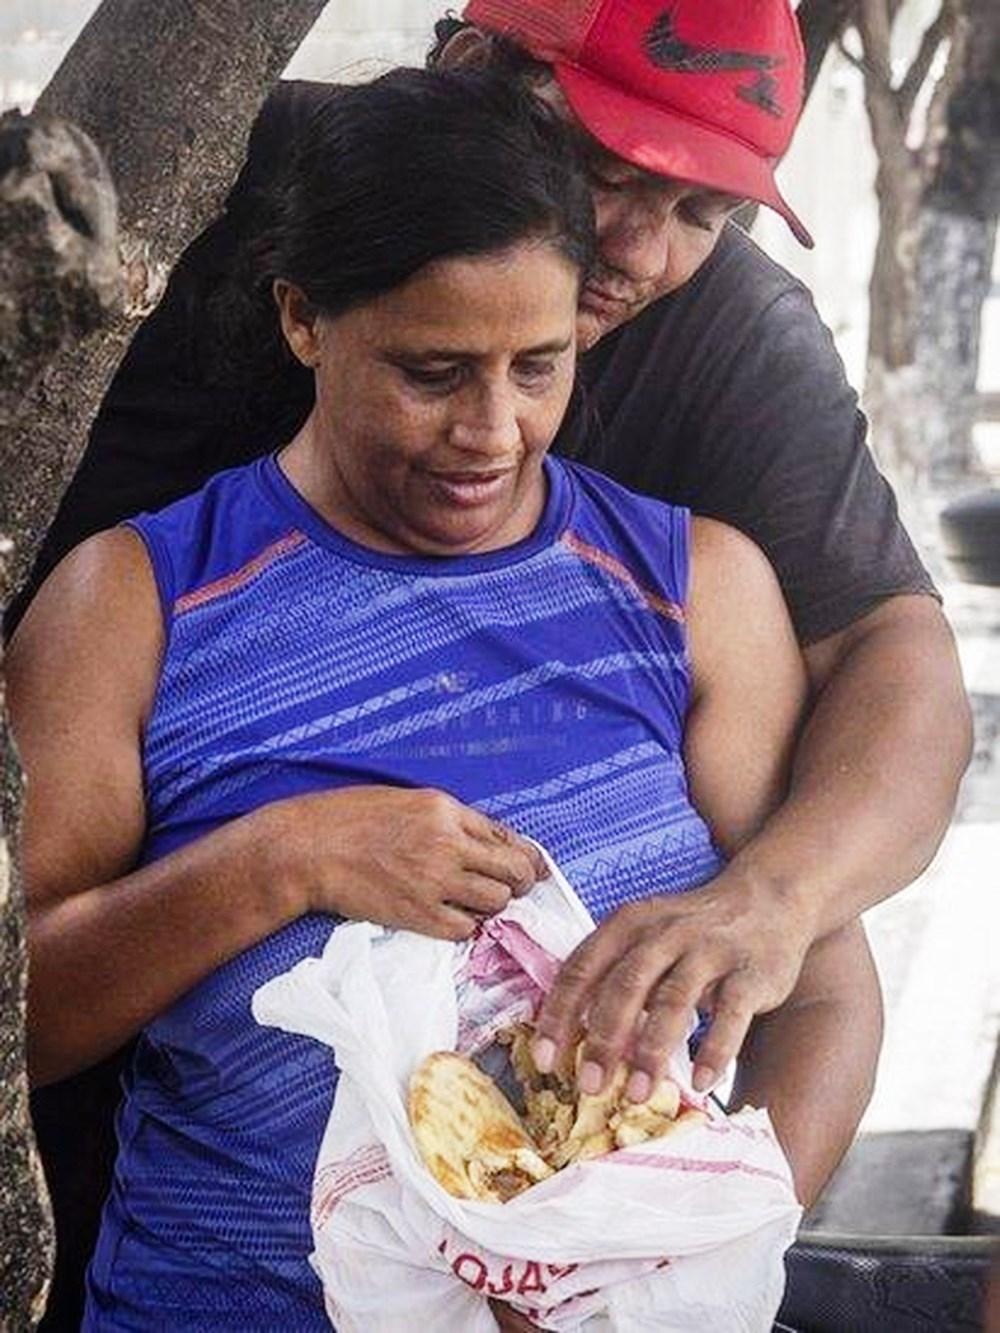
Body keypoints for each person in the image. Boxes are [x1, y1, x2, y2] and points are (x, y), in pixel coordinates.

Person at [7, 66, 877, 1330]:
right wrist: (279, 859)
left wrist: (671, 1258)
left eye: (539, 366)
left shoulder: (692, 591)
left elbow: (829, 995)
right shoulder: (133, 603)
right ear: (304, 320)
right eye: (432, 370)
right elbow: (12, 1024)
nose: (493, 429)